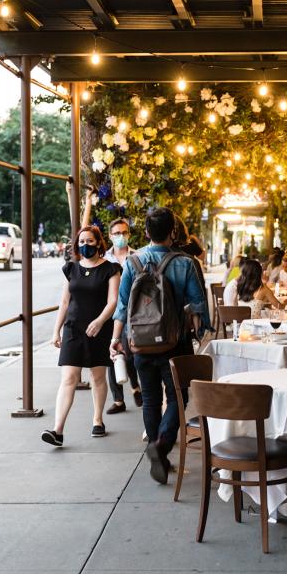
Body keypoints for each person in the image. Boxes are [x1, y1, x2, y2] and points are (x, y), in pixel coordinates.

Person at [110, 207, 209, 485]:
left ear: (145, 233)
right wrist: (199, 330)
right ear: (173, 232)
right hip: (174, 343)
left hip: (140, 342)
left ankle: (157, 450)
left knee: (151, 399)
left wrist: (116, 338)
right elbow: (196, 305)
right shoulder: (185, 263)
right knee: (179, 398)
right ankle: (162, 445)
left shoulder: (133, 261)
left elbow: (123, 305)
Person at [41, 226, 122, 447]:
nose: (85, 245)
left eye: (90, 241)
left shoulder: (111, 269)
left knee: (97, 377)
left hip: (98, 329)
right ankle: (58, 430)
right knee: (68, 378)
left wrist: (99, 321)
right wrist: (56, 330)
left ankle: (97, 419)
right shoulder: (71, 269)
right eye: (82, 241)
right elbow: (65, 302)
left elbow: (113, 301)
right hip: (73, 329)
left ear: (99, 243)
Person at [103, 218, 142, 414]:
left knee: (131, 353)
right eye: (117, 233)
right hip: (110, 313)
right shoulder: (104, 258)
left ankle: (136, 387)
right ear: (110, 236)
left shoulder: (137, 257)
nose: (121, 236)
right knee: (113, 354)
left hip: (133, 314)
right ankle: (118, 400)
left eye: (124, 233)